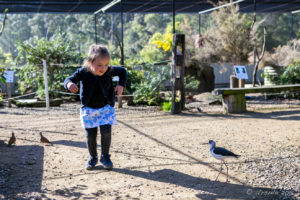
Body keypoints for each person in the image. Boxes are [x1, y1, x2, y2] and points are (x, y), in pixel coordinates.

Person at [64, 44, 127, 170]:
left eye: (106, 64)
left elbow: (123, 71)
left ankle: (105, 157)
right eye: (99, 65)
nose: (103, 68)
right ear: (89, 62)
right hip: (88, 108)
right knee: (91, 135)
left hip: (105, 107)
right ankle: (93, 157)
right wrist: (69, 84)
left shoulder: (108, 70)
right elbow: (67, 79)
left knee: (106, 132)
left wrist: (121, 85)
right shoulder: (83, 72)